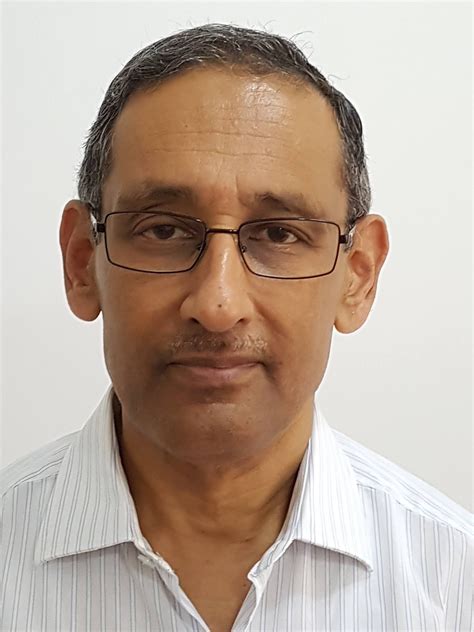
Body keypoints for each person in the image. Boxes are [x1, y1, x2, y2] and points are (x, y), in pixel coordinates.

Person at [1, 23, 471, 632]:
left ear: (358, 276)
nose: (218, 304)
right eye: (164, 229)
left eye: (279, 233)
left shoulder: (454, 585)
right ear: (80, 263)